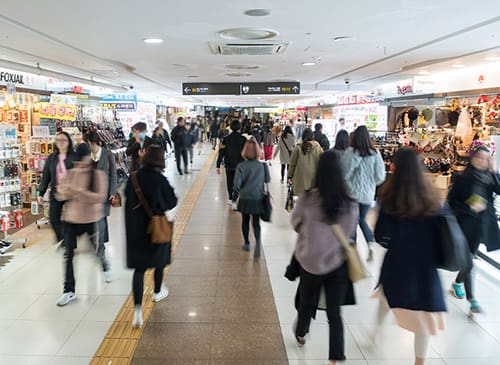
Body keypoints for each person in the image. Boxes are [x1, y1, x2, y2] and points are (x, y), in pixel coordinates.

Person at [374, 148, 446, 365]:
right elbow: (443, 230)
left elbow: (380, 235)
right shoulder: (432, 197)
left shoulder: (390, 196)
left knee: (387, 295)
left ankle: (375, 332)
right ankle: (419, 361)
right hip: (425, 264)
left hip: (398, 261)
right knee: (424, 314)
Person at [291, 151, 358, 364]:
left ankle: (301, 333)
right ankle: (335, 358)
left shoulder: (308, 198)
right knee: (334, 313)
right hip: (337, 263)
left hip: (310, 261)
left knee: (306, 302)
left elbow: (295, 224)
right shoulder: (349, 201)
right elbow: (349, 233)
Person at [125, 145, 178, 328]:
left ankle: (138, 311)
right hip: (156, 228)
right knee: (159, 261)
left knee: (139, 270)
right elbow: (172, 201)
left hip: (136, 231)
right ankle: (157, 291)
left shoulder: (133, 178)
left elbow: (127, 200)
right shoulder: (159, 179)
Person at [55, 143, 108, 306]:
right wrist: (68, 192)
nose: (79, 164)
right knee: (68, 255)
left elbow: (99, 197)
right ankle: (68, 291)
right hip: (71, 220)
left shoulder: (98, 175)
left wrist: (78, 192)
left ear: (88, 158)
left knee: (96, 250)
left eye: (81, 161)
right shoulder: (70, 173)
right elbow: (60, 194)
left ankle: (105, 265)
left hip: (90, 219)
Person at [448, 146, 500, 313]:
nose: (482, 161)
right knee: (469, 261)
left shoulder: (490, 178)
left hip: (481, 226)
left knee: (469, 259)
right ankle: (472, 299)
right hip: (464, 225)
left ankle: (457, 282)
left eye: (486, 159)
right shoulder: (462, 178)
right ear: (472, 158)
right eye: (479, 157)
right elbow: (451, 202)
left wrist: (495, 172)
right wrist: (469, 207)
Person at [341, 126, 385, 261]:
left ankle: (352, 253)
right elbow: (380, 176)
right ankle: (370, 243)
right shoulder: (375, 153)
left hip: (351, 195)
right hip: (367, 195)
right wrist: (370, 184)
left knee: (352, 222)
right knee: (362, 219)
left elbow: (344, 174)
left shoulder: (350, 152)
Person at [86, 131, 118, 280]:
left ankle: (102, 250)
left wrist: (112, 191)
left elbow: (113, 174)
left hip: (103, 195)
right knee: (95, 222)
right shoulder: (86, 156)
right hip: (89, 197)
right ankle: (99, 244)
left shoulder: (107, 154)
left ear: (92, 143)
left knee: (101, 221)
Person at [234, 140, 270, 258]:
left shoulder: (241, 166)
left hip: (245, 198)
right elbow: (267, 180)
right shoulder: (262, 166)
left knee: (245, 221)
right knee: (256, 222)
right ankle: (258, 242)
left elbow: (236, 185)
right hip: (258, 198)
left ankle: (247, 243)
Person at [38, 132, 75, 245]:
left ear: (69, 142)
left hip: (71, 193)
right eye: (58, 140)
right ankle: (64, 238)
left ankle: (70, 243)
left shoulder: (74, 157)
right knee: (53, 218)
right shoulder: (52, 158)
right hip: (56, 192)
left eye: (64, 140)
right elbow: (46, 176)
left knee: (71, 219)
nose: (61, 143)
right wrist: (41, 193)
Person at [216, 120, 247, 206]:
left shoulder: (226, 139)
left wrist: (218, 165)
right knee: (238, 182)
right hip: (240, 165)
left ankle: (230, 197)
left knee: (229, 181)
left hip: (229, 164)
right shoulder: (243, 139)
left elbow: (221, 152)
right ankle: (235, 198)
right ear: (239, 127)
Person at [288, 128, 323, 196]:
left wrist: (289, 176)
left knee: (299, 201)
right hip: (313, 179)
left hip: (300, 179)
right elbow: (322, 160)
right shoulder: (318, 147)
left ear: (302, 136)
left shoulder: (298, 147)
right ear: (313, 136)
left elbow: (292, 164)